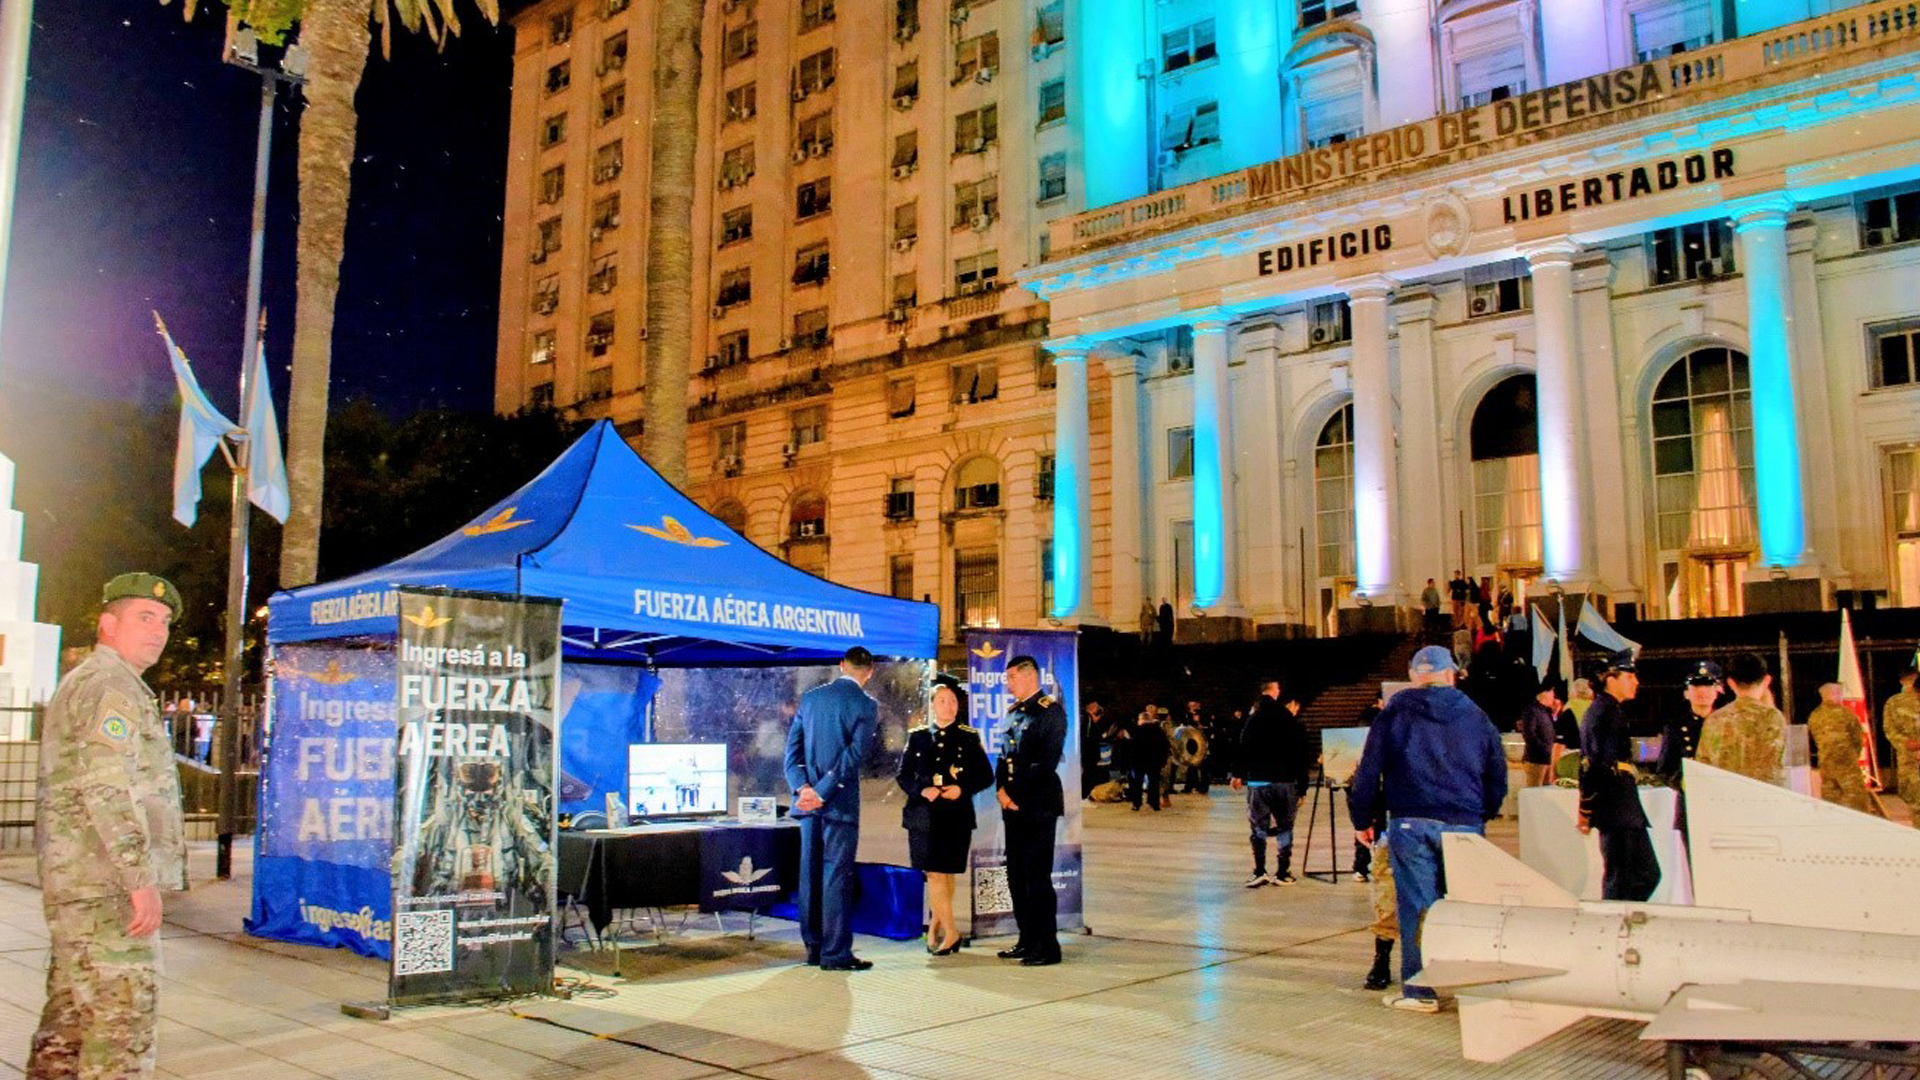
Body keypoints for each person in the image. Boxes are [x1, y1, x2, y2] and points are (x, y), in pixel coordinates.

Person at [31, 573, 188, 1080]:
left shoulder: (93, 681)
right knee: (120, 1033)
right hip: (106, 890)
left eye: (163, 621)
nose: (158, 630)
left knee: (69, 1030)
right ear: (107, 624)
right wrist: (138, 878)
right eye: (144, 617)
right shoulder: (110, 686)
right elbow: (107, 786)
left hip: (82, 884)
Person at [1348, 646, 1507, 1014]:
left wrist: (1362, 820)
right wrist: (1486, 811)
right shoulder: (1476, 715)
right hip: (1465, 822)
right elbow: (1496, 771)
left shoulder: (1394, 713)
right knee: (1466, 904)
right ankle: (1470, 983)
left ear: (1413, 676)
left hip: (1411, 820)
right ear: (1451, 674)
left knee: (1419, 907)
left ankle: (1422, 991)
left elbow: (1369, 770)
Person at [783, 646, 880, 970]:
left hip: (808, 806)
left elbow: (791, 755)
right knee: (836, 878)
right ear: (869, 672)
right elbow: (852, 758)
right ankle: (835, 953)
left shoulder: (810, 699)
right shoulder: (866, 705)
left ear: (841, 666)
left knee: (809, 877)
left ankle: (813, 948)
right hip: (839, 807)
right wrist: (824, 792)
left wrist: (803, 789)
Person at [896, 678, 992, 955]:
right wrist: (922, 790)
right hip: (923, 817)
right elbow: (903, 775)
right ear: (932, 706)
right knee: (934, 874)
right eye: (941, 701)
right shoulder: (918, 736)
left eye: (952, 701)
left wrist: (962, 788)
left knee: (947, 874)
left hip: (956, 816)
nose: (947, 706)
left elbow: (985, 775)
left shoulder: (968, 737)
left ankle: (937, 925)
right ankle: (951, 932)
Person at [995, 655, 1067, 966]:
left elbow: (1043, 763)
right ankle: (1027, 938)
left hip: (1037, 806)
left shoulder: (1049, 712)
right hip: (1012, 806)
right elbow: (1004, 757)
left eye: (1011, 677)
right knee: (1016, 876)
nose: (1008, 684)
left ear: (1028, 676)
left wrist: (1014, 795)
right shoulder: (1014, 713)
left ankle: (1047, 945)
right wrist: (1001, 790)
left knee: (1037, 878)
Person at [1578, 651, 1660, 903]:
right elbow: (1592, 764)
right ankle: (1613, 926)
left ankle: (1624, 920)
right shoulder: (1602, 712)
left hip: (1623, 807)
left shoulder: (1611, 711)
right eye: (1629, 676)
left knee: (1644, 874)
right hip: (1615, 808)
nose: (1635, 682)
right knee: (1622, 877)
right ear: (1610, 679)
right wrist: (1587, 808)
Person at [1231, 679, 1309, 887]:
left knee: (1258, 827)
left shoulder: (1254, 718)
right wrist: (1302, 786)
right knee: (1285, 826)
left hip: (1258, 781)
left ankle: (1259, 871)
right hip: (1284, 781)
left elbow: (1243, 744)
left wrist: (1238, 773)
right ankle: (1283, 872)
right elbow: (1300, 754)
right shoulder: (1288, 720)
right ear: (1275, 692)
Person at [1697, 651, 1788, 787]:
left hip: (1725, 797)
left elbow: (1703, 765)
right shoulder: (1773, 717)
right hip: (1763, 799)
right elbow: (1776, 766)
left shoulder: (1714, 719)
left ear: (1731, 683)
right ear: (1767, 680)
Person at [1808, 682, 1886, 817]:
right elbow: (1857, 738)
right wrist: (1853, 755)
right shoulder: (1845, 713)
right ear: (1836, 694)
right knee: (1857, 797)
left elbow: (1815, 738)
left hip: (1825, 762)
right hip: (1846, 761)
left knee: (1831, 797)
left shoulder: (1814, 716)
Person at [1883, 665, 1920, 820]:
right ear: (1902, 681)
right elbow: (1889, 729)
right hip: (1909, 758)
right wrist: (1907, 744)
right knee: (1914, 800)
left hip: (1910, 755)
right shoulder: (1894, 702)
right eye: (1908, 680)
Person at [1517, 684, 1559, 787]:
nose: (1554, 699)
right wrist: (1544, 748)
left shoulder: (1545, 711)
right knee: (1535, 789)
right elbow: (1529, 734)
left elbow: (1553, 729)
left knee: (1546, 789)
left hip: (1546, 758)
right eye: (1552, 695)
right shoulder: (1531, 710)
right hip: (1535, 759)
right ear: (1545, 695)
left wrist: (1556, 713)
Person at [1127, 708, 1168, 811]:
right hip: (1154, 760)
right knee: (1154, 782)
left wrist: (1130, 761)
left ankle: (1137, 803)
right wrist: (1162, 760)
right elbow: (1165, 746)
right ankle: (1154, 803)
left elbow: (1131, 747)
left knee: (1137, 782)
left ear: (1140, 720)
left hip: (1138, 761)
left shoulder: (1136, 731)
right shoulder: (1158, 731)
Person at [1176, 699, 1211, 794]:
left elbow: (1209, 727)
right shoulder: (1186, 715)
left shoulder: (1204, 715)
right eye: (1191, 705)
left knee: (1204, 766)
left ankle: (1204, 787)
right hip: (1191, 743)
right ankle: (1190, 786)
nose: (1193, 707)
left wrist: (1200, 724)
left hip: (1203, 743)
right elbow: (1182, 727)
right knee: (1191, 765)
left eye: (1195, 705)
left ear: (1199, 705)